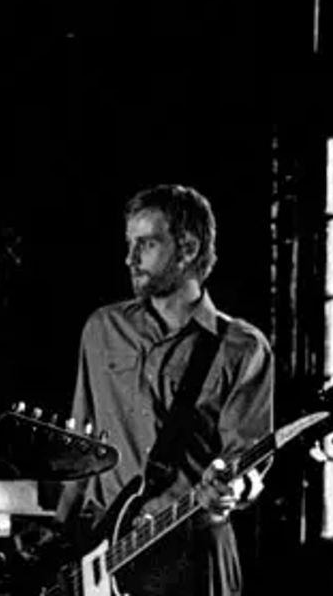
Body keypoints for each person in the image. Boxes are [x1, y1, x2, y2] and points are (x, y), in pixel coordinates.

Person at [55, 184, 273, 596]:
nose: (129, 259)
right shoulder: (103, 330)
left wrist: (230, 491)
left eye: (146, 244)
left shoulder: (242, 347)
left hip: (193, 550)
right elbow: (80, 447)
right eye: (129, 244)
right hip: (106, 551)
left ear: (187, 249)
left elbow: (248, 461)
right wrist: (58, 539)